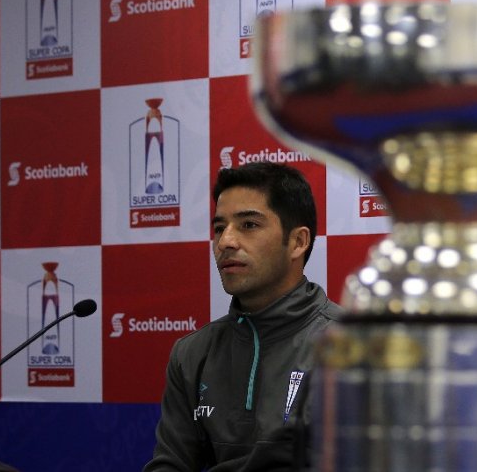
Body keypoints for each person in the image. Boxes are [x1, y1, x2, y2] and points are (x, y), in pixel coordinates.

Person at [145, 162, 343, 471]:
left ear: (298, 242)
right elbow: (169, 465)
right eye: (219, 228)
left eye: (248, 225)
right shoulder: (192, 353)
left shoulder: (353, 347)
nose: (225, 242)